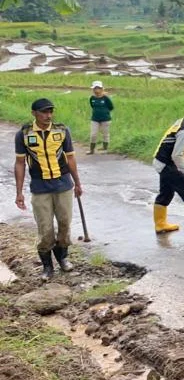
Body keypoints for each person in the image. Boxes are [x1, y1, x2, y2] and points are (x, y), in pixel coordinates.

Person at [13, 98, 83, 280]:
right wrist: (19, 192)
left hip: (63, 185)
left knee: (65, 225)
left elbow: (71, 159)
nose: (48, 115)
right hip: (40, 187)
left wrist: (78, 183)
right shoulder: (24, 134)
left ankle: (63, 259)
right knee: (45, 230)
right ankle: (47, 267)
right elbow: (20, 163)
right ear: (34, 113)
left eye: (50, 111)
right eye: (44, 112)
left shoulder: (61, 131)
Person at [87, 80, 114, 154]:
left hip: (105, 119)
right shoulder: (92, 98)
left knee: (105, 134)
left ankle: (105, 148)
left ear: (101, 89)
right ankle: (91, 150)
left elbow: (111, 107)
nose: (96, 90)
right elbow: (92, 106)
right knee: (93, 135)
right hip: (95, 119)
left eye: (98, 88)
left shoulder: (106, 98)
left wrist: (104, 112)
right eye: (95, 88)